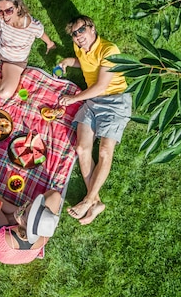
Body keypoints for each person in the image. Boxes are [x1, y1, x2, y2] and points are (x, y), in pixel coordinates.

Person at [57, 15, 132, 225]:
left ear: (92, 28)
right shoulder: (80, 48)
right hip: (92, 100)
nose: (78, 37)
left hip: (114, 100)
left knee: (105, 151)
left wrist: (73, 98)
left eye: (81, 31)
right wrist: (67, 61)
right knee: (82, 148)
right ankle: (96, 201)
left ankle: (89, 199)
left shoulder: (109, 50)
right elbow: (85, 64)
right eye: (74, 34)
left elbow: (100, 86)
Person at [0, 188, 61, 264]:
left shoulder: (2, 237)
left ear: (23, 222)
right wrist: (22, 215)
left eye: (23, 212)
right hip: (23, 237)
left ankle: (10, 217)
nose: (24, 207)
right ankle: (12, 216)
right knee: (55, 195)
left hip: (8, 247)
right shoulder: (44, 235)